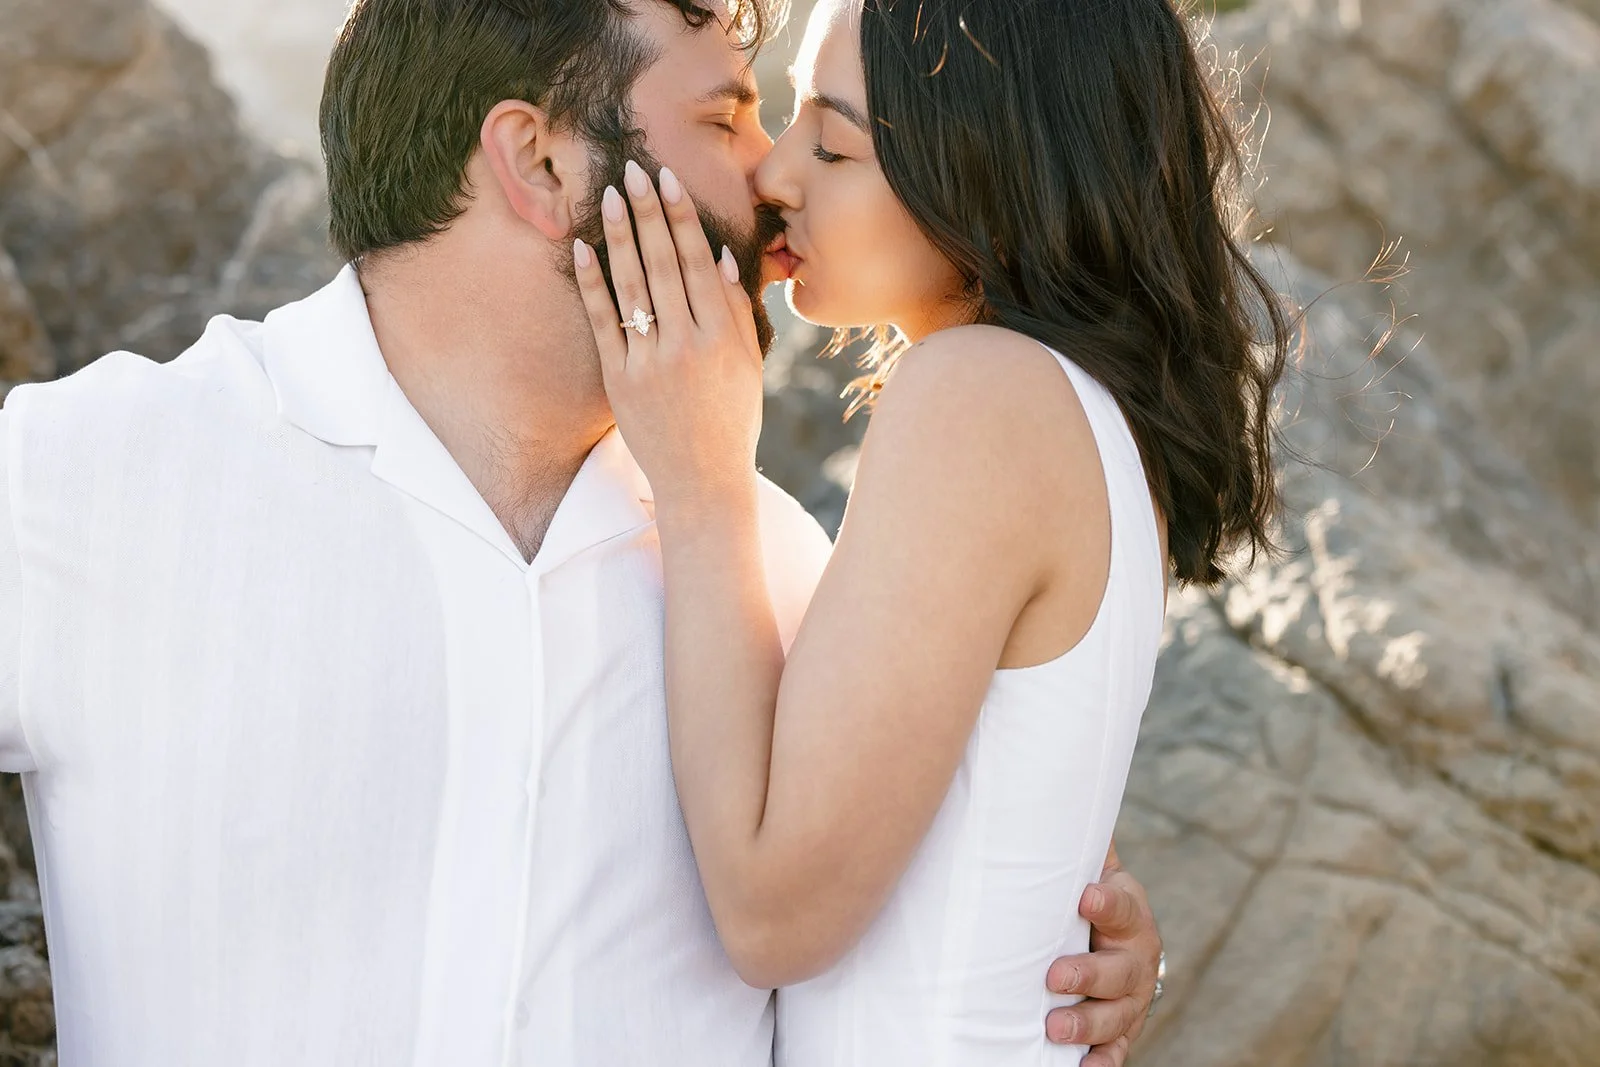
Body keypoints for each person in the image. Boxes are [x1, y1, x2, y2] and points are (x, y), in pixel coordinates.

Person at [0, 0, 1165, 1064]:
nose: (769, 173)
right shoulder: (101, 475)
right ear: (542, 160)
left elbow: (922, 898)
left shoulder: (781, 570)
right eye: (727, 116)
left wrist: (1071, 950)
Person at [575, 0, 1289, 1063]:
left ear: (994, 179)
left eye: (834, 142)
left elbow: (773, 916)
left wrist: (700, 478)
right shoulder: (1069, 413)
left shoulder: (982, 396)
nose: (777, 177)